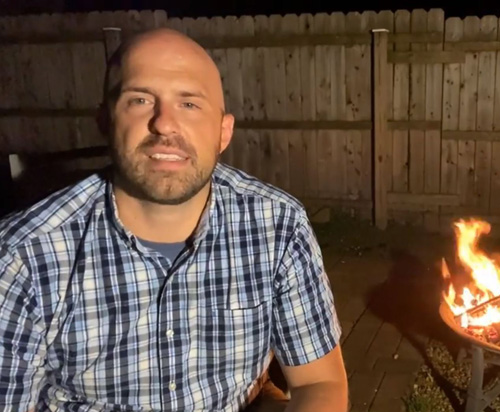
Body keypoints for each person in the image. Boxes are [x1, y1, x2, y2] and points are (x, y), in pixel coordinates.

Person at [0, 27, 347, 412]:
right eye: (140, 99)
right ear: (105, 121)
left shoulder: (278, 226)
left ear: (223, 131)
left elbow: (319, 381)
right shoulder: (23, 257)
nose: (164, 124)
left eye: (189, 104)